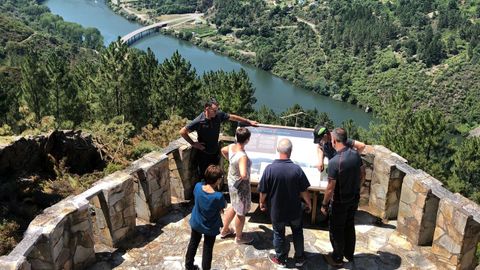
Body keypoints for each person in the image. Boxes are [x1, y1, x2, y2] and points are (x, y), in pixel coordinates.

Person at [258, 138, 312, 268]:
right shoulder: (296, 169)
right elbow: (304, 190)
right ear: (290, 151)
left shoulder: (269, 169)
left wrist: (261, 203)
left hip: (277, 210)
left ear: (278, 150)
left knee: (278, 233)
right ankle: (299, 258)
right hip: (295, 210)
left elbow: (263, 190)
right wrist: (309, 203)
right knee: (298, 232)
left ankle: (281, 259)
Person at [179, 97, 258, 179]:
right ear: (207, 108)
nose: (216, 112)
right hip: (204, 154)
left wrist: (248, 122)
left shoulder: (218, 116)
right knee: (205, 176)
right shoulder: (199, 121)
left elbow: (233, 117)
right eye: (214, 110)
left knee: (216, 175)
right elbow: (182, 132)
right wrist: (193, 143)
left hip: (215, 152)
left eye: (217, 110)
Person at [320, 128, 364, 268]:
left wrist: (324, 204)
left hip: (339, 202)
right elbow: (362, 174)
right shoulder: (356, 155)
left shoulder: (335, 162)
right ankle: (349, 254)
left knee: (336, 229)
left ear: (334, 141)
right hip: (354, 199)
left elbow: (330, 188)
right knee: (349, 226)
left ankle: (337, 258)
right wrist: (356, 189)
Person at [185, 165, 226, 270]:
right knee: (208, 249)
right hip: (210, 227)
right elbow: (222, 207)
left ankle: (189, 266)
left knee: (193, 243)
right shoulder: (218, 196)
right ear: (217, 180)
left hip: (197, 222)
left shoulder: (198, 186)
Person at [219, 127, 254, 244]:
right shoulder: (242, 156)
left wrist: (231, 162)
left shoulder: (231, 147)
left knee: (233, 205)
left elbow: (222, 150)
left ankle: (224, 230)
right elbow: (243, 174)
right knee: (241, 212)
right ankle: (239, 238)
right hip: (241, 187)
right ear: (247, 140)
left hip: (231, 181)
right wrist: (246, 175)